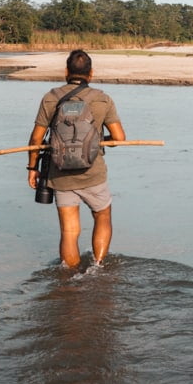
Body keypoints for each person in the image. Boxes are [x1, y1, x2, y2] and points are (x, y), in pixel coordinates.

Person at [27, 50, 126, 268]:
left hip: (60, 174)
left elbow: (35, 139)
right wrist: (97, 140)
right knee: (102, 216)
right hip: (93, 174)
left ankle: (70, 279)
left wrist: (32, 168)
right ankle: (98, 268)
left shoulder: (51, 97)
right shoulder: (102, 99)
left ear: (66, 72)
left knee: (69, 231)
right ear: (90, 74)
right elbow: (119, 138)